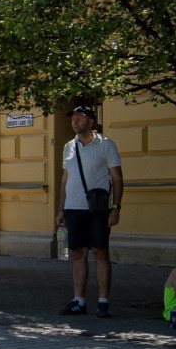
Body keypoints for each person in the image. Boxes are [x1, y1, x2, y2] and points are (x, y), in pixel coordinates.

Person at [57, 105, 123, 318]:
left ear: (92, 122)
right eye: (73, 117)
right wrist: (61, 209)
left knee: (100, 253)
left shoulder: (106, 145)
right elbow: (65, 179)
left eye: (80, 117)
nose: (75, 121)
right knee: (77, 253)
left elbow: (117, 178)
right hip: (73, 208)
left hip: (98, 209)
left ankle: (103, 301)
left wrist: (116, 207)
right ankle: (79, 300)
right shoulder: (69, 146)